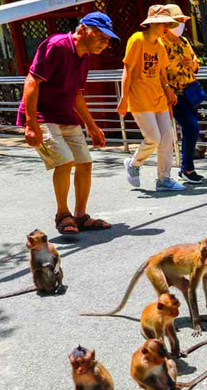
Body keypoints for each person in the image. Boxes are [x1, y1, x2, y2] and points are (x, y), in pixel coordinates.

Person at [17, 13, 119, 235]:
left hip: (65, 115)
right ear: (82, 30)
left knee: (85, 162)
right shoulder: (56, 45)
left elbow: (77, 95)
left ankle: (80, 216)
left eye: (108, 38)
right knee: (64, 161)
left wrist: (92, 126)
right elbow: (31, 81)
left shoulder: (85, 56)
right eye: (100, 36)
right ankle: (63, 215)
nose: (105, 42)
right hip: (42, 115)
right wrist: (30, 123)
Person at [118, 5, 184, 192]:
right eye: (163, 23)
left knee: (167, 138)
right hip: (139, 98)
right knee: (153, 138)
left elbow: (162, 74)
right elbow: (127, 70)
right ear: (153, 23)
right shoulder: (137, 40)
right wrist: (123, 98)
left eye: (167, 24)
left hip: (158, 98)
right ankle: (134, 163)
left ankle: (164, 179)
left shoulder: (160, 45)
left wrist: (169, 92)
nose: (166, 27)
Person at [161, 3, 204, 184]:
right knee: (191, 126)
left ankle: (186, 166)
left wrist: (192, 64)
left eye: (181, 21)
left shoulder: (184, 41)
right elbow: (161, 69)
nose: (180, 25)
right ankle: (187, 167)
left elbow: (196, 62)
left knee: (191, 128)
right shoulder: (161, 43)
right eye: (176, 21)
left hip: (190, 90)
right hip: (175, 92)